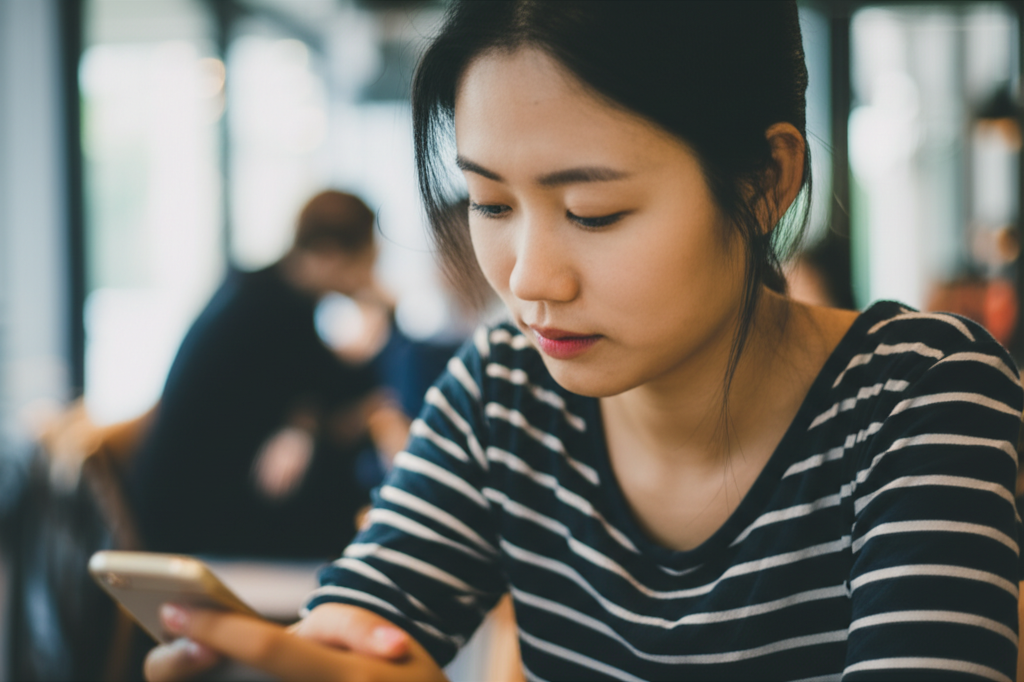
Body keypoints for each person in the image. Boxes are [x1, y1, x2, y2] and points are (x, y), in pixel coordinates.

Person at [145, 2, 1023, 680]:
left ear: (766, 182)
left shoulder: (922, 399)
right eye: (491, 204)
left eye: (592, 212)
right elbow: (366, 628)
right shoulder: (505, 394)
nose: (529, 279)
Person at [127, 190, 404, 560]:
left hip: (181, 503)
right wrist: (384, 313)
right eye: (368, 260)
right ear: (331, 255)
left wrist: (302, 426)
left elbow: (309, 386)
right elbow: (345, 389)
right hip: (192, 524)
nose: (371, 274)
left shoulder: (260, 291)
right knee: (344, 486)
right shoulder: (275, 312)